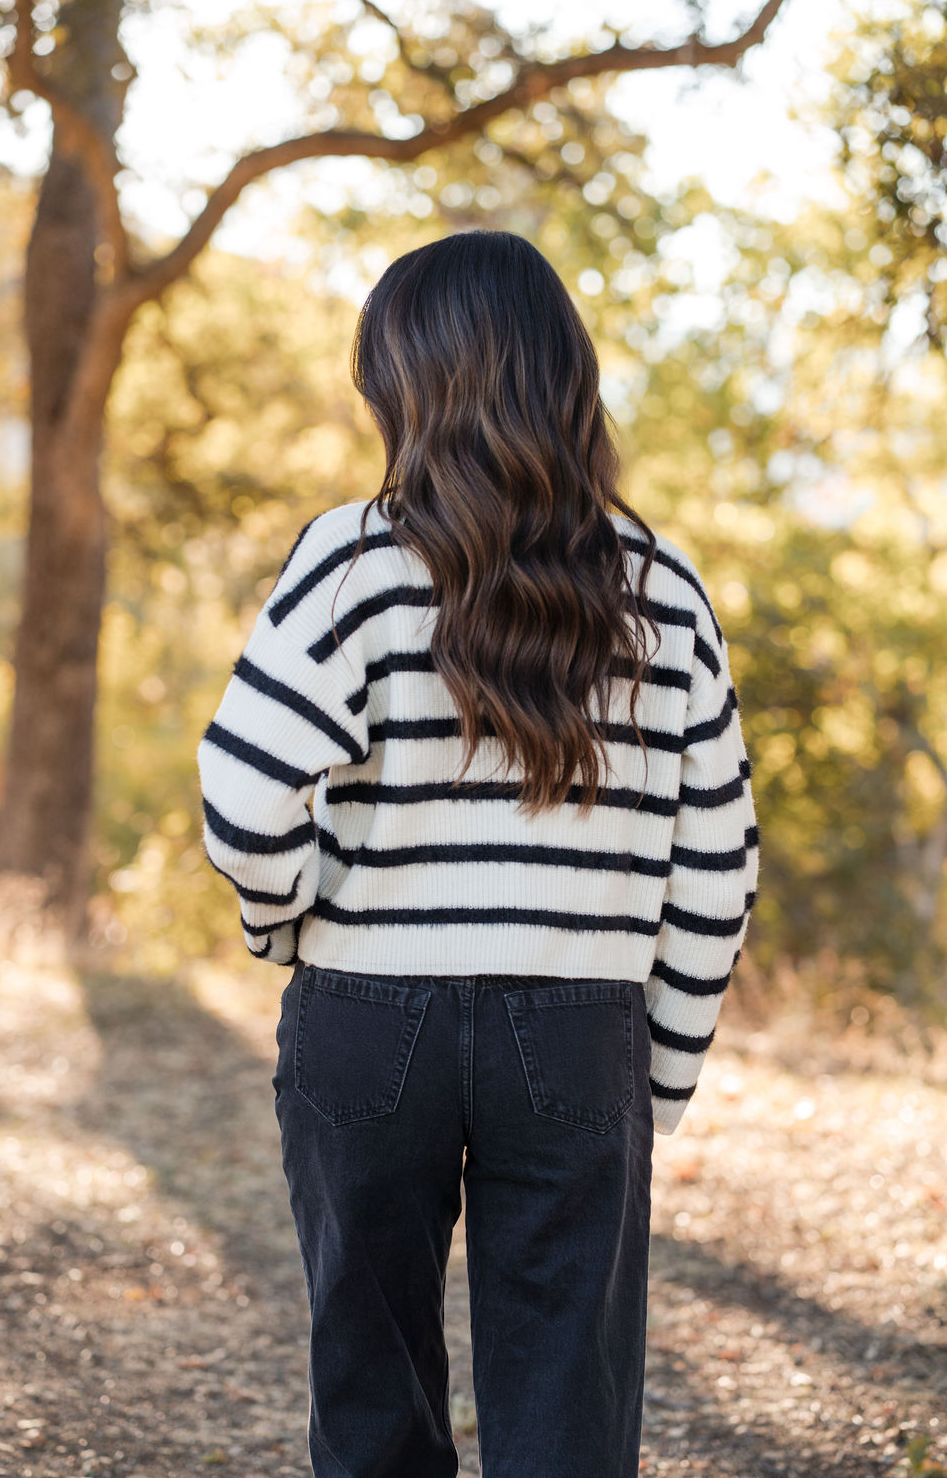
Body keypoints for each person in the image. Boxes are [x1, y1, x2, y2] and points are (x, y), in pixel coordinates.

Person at [196, 229, 760, 1478]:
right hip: (579, 1029)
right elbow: (717, 865)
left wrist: (283, 922)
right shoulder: (662, 589)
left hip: (363, 1017)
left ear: (409, 384)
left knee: (370, 1384)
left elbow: (243, 791)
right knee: (568, 1395)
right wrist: (652, 1075)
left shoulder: (349, 559)